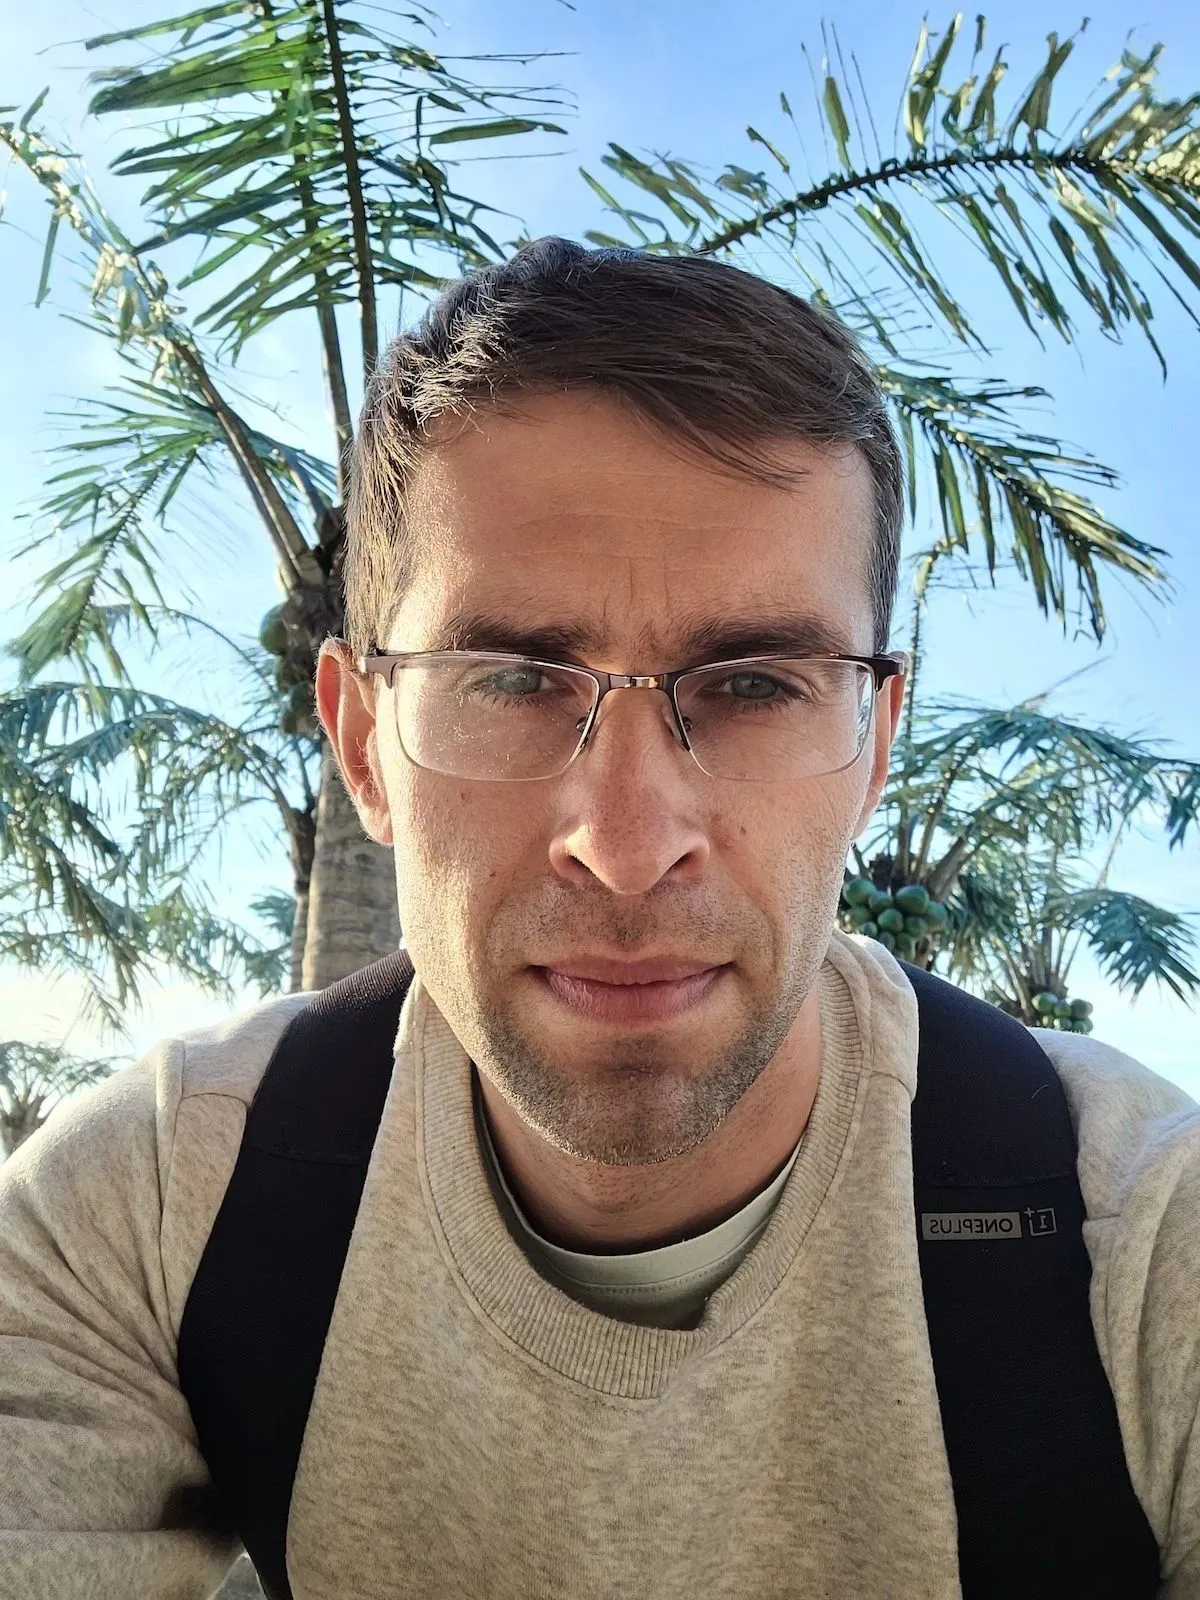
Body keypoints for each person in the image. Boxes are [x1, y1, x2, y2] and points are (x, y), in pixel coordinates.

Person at [1, 238, 1197, 1600]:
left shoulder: (1139, 1239)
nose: (627, 849)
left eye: (755, 683)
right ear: (363, 744)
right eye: (512, 679)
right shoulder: (160, 1207)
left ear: (874, 747)